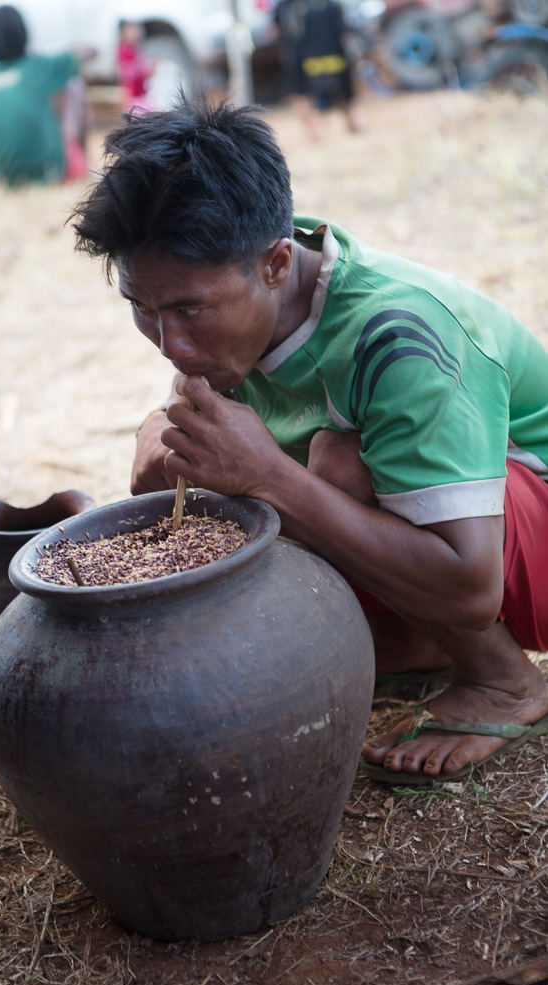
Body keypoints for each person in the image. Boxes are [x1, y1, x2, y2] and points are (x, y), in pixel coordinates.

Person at [69, 96, 548, 785]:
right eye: (141, 309)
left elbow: (471, 588)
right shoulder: (248, 311)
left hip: (510, 541)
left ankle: (502, 681)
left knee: (336, 465)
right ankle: (415, 639)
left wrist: (265, 474)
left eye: (189, 310)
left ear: (273, 263)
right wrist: (166, 434)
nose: (169, 344)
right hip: (470, 538)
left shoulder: (401, 336)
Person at [0, 5, 94, 187]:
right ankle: (79, 161)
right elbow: (88, 52)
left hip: (0, 178)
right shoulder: (41, 66)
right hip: (49, 172)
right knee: (73, 86)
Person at [273, 0, 359, 136]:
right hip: (332, 57)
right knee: (339, 92)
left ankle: (314, 133)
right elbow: (342, 30)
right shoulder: (330, 5)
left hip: (301, 59)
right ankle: (349, 124)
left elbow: (276, 31)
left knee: (303, 95)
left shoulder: (286, 5)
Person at [116, 20, 155, 113]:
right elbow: (124, 72)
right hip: (133, 98)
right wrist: (142, 69)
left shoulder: (137, 48)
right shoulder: (124, 49)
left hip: (143, 94)